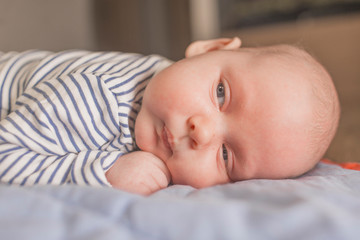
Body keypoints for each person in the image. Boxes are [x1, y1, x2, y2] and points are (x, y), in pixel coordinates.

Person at [0, 37, 340, 195]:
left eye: (225, 155)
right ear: (209, 49)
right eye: (221, 93)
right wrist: (103, 172)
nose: (201, 132)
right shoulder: (95, 97)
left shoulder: (170, 86)